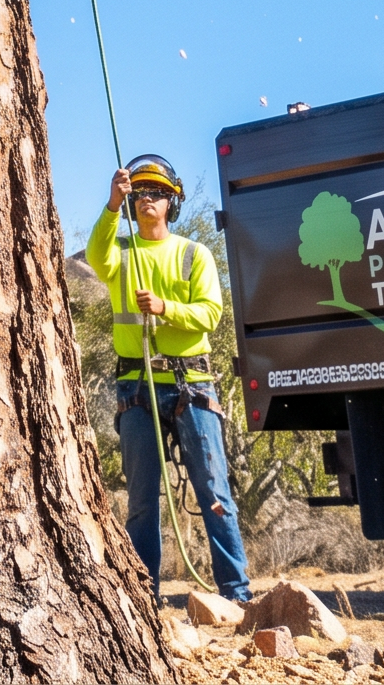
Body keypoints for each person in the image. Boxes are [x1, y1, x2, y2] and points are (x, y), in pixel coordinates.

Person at [86, 154, 251, 604]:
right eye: (140, 193)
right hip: (136, 389)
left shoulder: (193, 255)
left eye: (157, 193)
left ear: (172, 202)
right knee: (141, 501)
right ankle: (144, 595)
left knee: (214, 491)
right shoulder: (120, 252)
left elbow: (210, 315)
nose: (147, 200)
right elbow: (97, 255)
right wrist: (112, 202)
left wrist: (164, 308)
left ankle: (235, 595)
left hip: (191, 386)